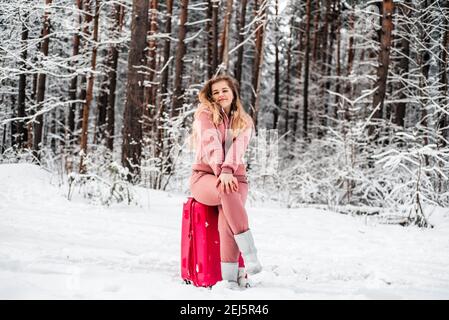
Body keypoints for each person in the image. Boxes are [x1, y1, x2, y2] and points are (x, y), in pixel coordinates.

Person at [189, 75, 262, 289]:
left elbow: (238, 149)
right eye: (216, 92)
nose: (220, 95)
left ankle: (229, 279)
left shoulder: (244, 121)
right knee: (226, 189)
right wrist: (223, 172)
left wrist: (229, 170)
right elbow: (212, 144)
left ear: (233, 93)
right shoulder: (205, 115)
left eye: (224, 90)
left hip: (237, 178)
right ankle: (250, 255)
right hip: (204, 176)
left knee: (227, 219)